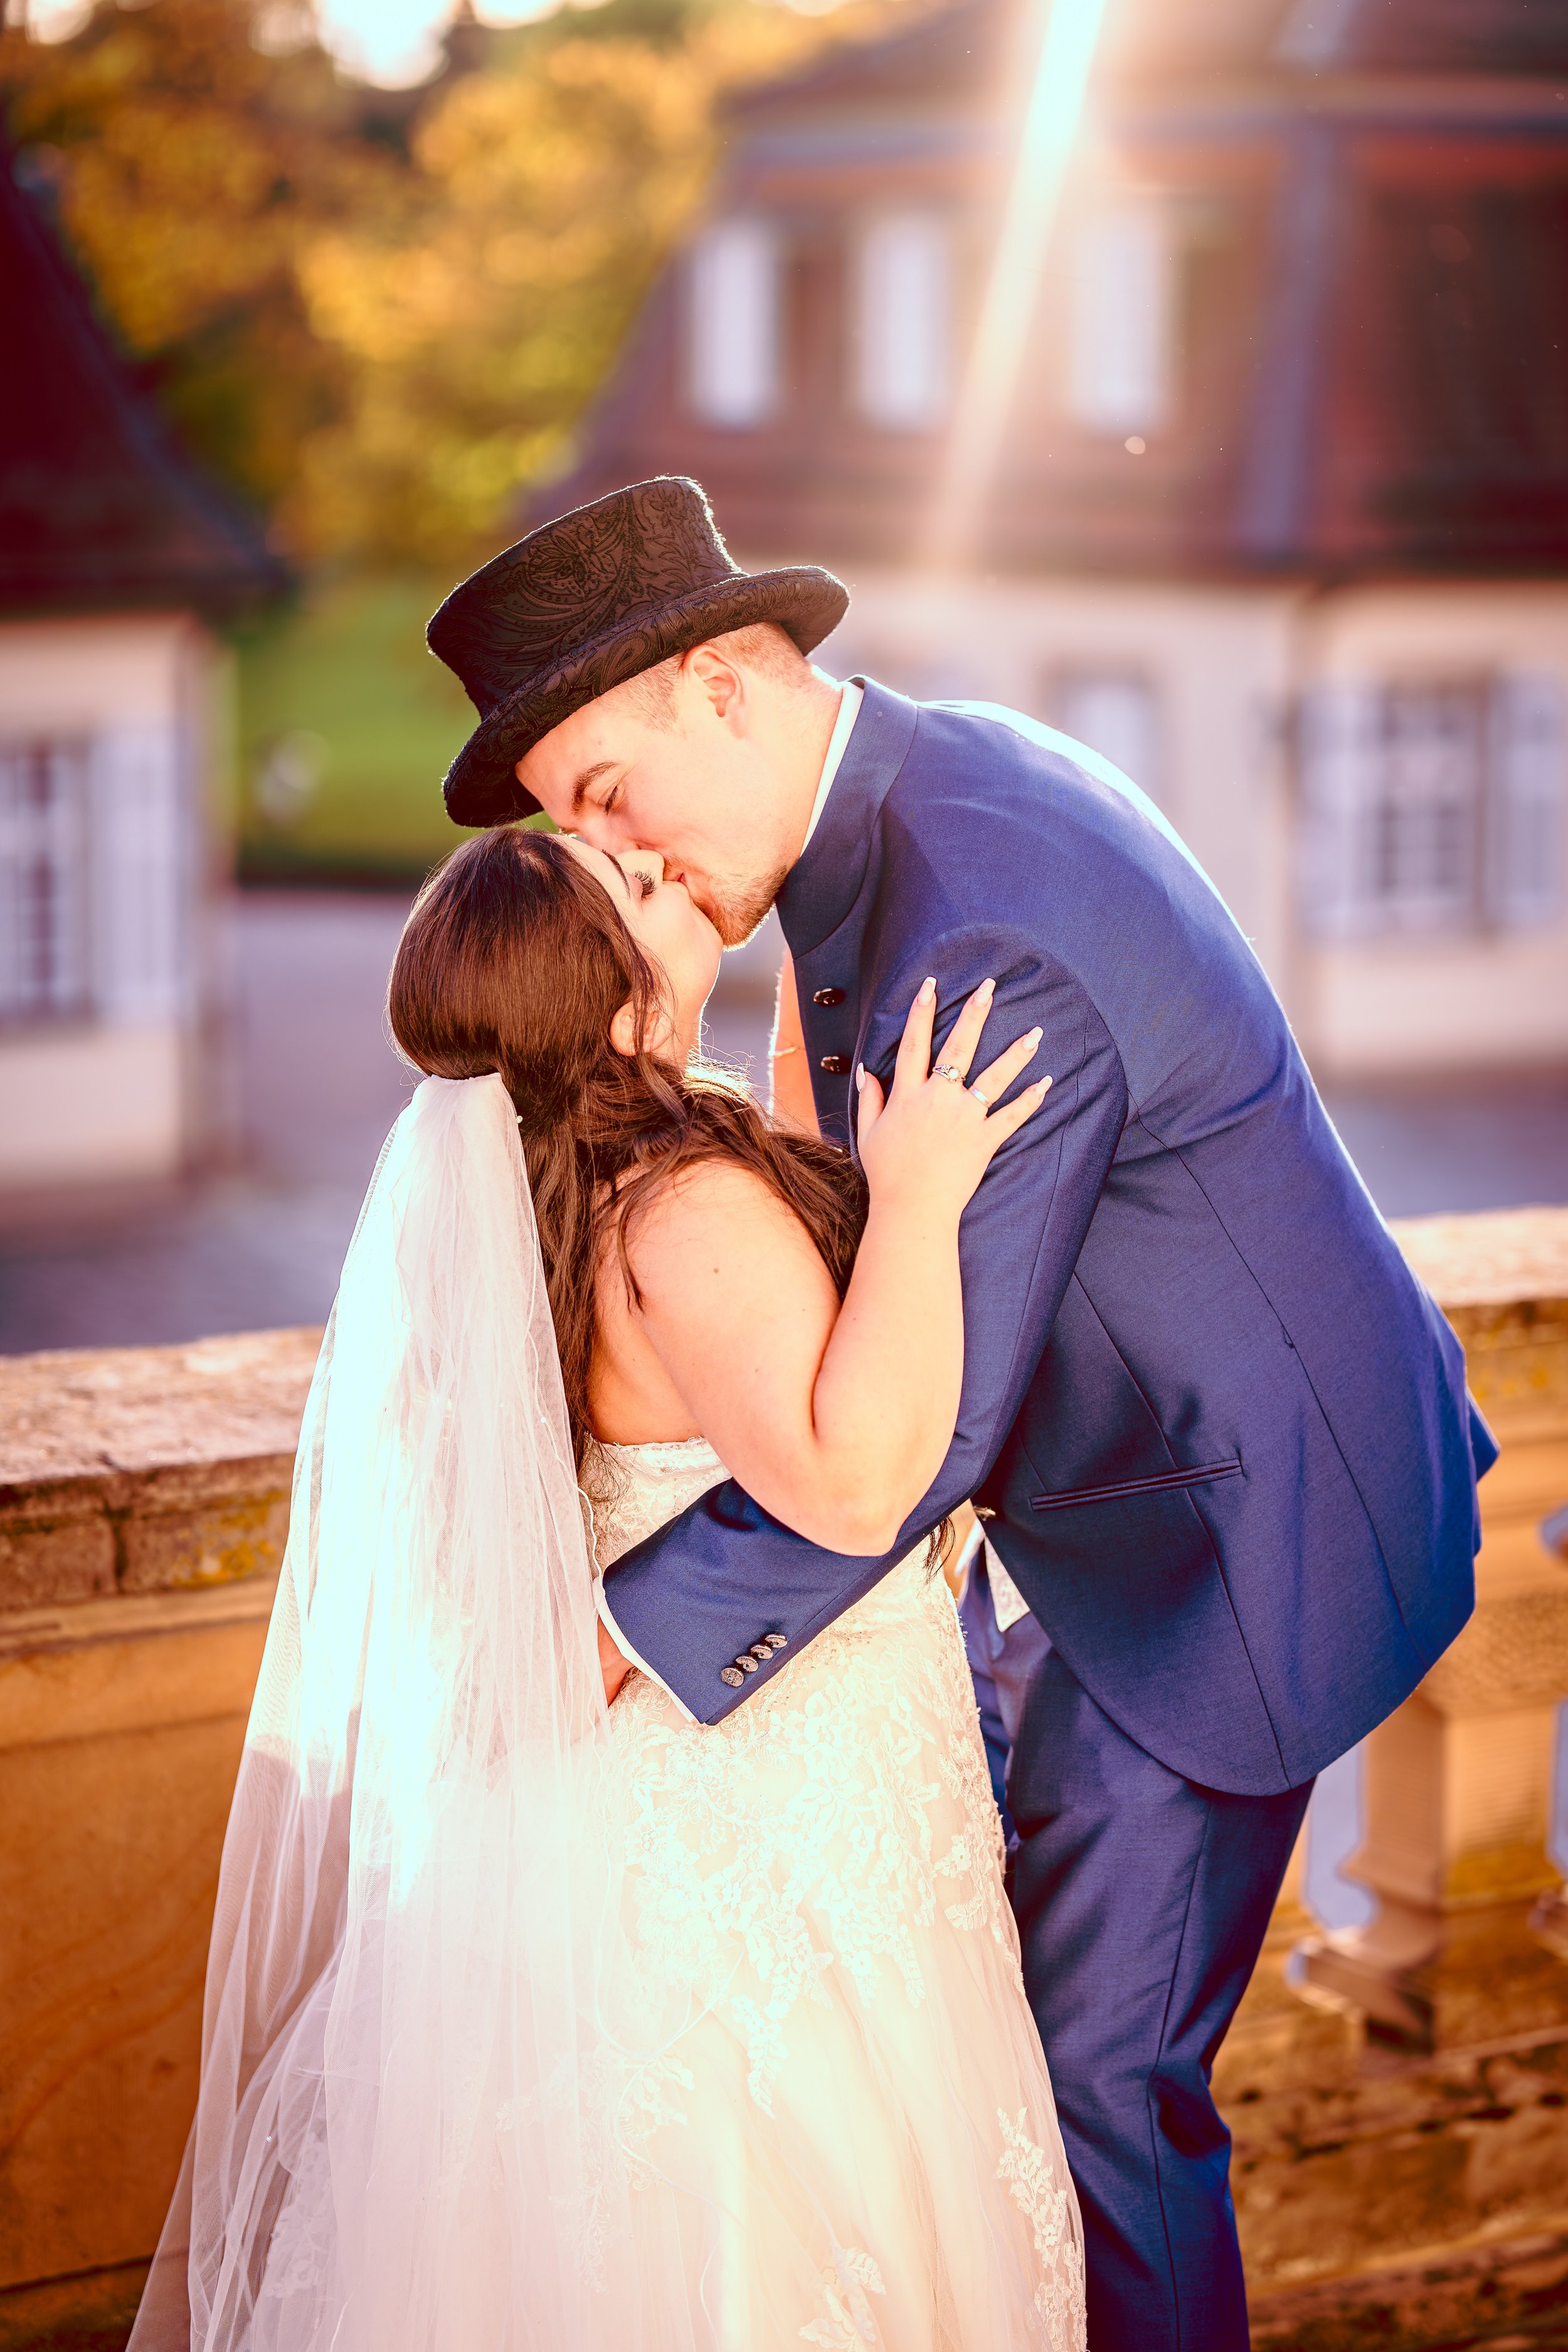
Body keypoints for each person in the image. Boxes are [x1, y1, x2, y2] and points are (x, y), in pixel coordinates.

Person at [423, 474, 1496, 2351]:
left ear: (725, 686)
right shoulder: (915, 796)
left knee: (1099, 2083)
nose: (619, 865)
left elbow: (887, 1453)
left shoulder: (976, 927)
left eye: (604, 797)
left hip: (1224, 1552)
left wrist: (598, 1634)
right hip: (1133, 1477)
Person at [127, 818, 1087, 2351]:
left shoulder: (558, 1188)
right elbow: (845, 1480)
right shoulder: (683, 1203)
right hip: (780, 1820)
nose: (661, 860)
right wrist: (919, 1192)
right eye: (632, 883)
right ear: (619, 991)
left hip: (676, 1787)